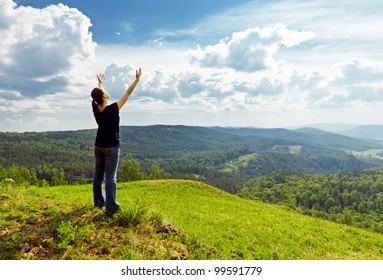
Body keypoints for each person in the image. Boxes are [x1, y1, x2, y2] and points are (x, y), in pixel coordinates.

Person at [91, 68, 142, 214]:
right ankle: (111, 207)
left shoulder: (96, 109)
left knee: (98, 176)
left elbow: (99, 96)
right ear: (104, 96)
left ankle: (98, 202)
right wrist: (137, 80)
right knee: (110, 178)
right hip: (111, 148)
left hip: (98, 146)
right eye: (104, 92)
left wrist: (99, 84)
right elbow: (127, 93)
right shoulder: (113, 109)